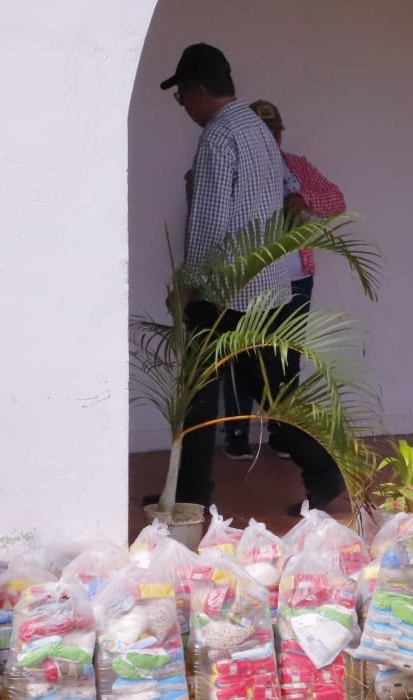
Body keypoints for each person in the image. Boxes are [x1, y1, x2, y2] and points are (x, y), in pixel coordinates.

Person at [158, 43, 344, 512]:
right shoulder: (258, 132)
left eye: (182, 96)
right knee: (272, 394)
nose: (183, 107)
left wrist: (188, 285)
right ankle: (320, 473)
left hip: (222, 294)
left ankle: (190, 497)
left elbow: (209, 221)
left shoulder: (219, 136)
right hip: (263, 288)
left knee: (202, 396)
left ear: (199, 90)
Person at [222, 99, 347, 462]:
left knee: (287, 354)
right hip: (248, 280)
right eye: (262, 132)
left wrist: (300, 196)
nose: (270, 138)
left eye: (274, 130)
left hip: (295, 278)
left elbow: (335, 199)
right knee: (242, 353)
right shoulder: (236, 167)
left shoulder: (296, 166)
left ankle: (282, 431)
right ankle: (236, 432)